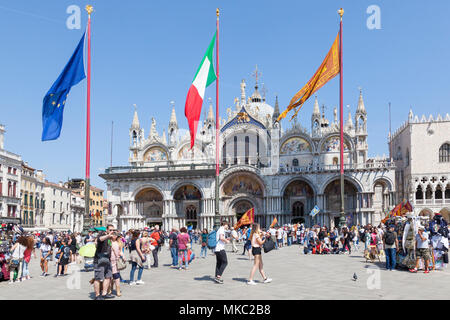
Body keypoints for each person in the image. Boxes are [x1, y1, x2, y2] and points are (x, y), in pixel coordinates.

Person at [93, 225, 115, 300]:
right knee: (98, 278)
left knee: (108, 276)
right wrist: (108, 236)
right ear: (107, 230)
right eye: (111, 230)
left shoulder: (110, 238)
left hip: (107, 260)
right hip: (99, 259)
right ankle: (97, 295)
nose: (112, 231)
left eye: (113, 230)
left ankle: (104, 293)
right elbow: (99, 239)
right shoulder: (102, 234)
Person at [110, 231, 124, 297]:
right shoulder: (108, 242)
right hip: (109, 260)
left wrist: (122, 256)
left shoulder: (119, 242)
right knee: (110, 276)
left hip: (116, 261)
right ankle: (110, 288)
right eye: (113, 235)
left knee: (116, 275)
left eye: (115, 235)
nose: (114, 236)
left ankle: (118, 290)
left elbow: (121, 251)